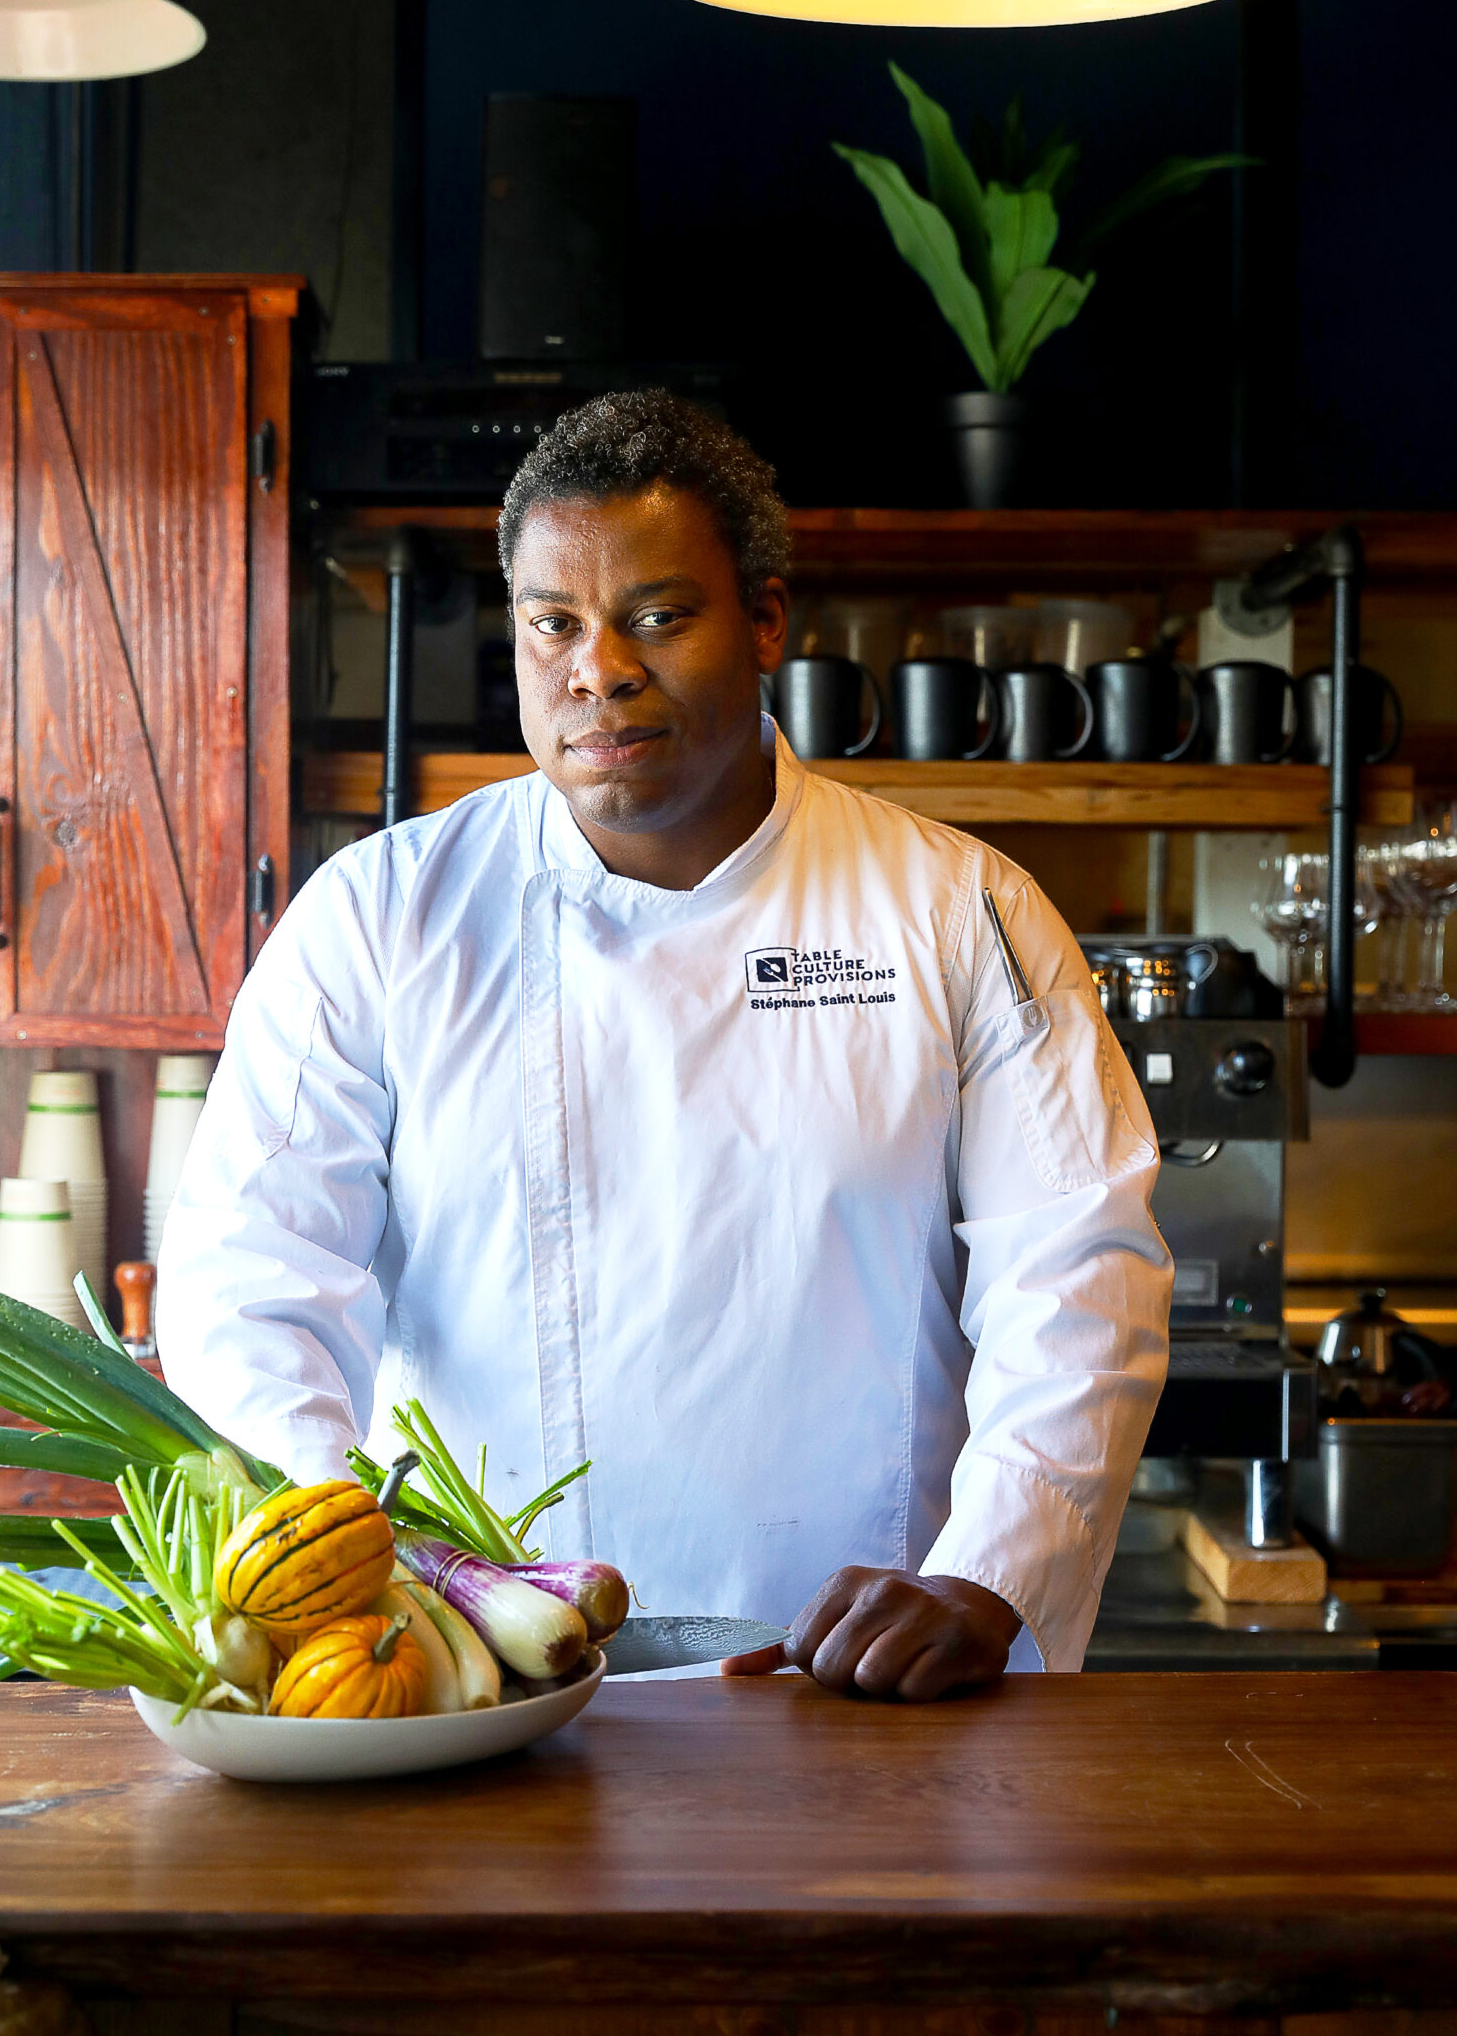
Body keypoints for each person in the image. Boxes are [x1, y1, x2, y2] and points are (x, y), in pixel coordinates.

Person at [157, 391, 1170, 1698]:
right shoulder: (379, 917)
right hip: (478, 1680)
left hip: (867, 1685)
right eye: (553, 625)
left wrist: (987, 1573)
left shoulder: (955, 908)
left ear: (762, 619)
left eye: (655, 616)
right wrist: (343, 1559)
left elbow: (1078, 1277)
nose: (598, 670)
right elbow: (252, 1286)